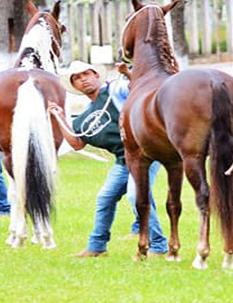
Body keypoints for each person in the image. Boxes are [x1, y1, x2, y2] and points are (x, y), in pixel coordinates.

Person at [47, 60, 167, 258]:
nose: (83, 80)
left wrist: (127, 73)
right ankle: (97, 246)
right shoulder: (83, 119)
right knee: (105, 198)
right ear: (74, 86)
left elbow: (141, 89)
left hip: (146, 154)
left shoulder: (116, 90)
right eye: (77, 78)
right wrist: (59, 118)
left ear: (96, 75)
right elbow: (77, 143)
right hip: (123, 161)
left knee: (134, 195)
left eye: (86, 74)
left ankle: (158, 245)